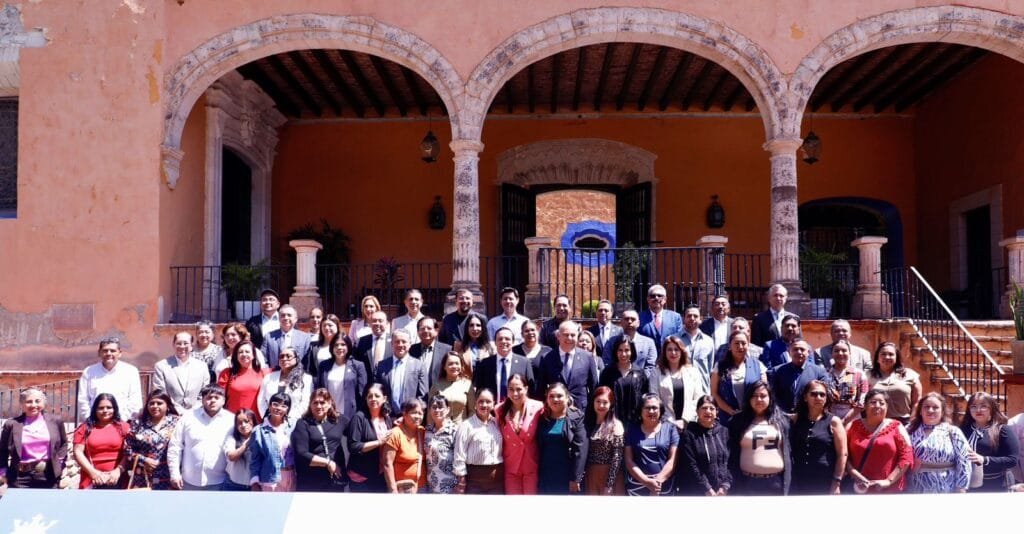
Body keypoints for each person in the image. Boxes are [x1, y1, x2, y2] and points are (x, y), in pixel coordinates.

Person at [727, 381, 791, 495]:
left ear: (770, 398)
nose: (759, 399)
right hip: (746, 483)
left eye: (763, 396)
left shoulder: (782, 420)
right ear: (749, 398)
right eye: (754, 396)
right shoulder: (737, 421)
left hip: (777, 482)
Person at [845, 389, 914, 494]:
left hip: (889, 490)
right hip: (859, 488)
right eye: (873, 402)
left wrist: (888, 481)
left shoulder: (897, 426)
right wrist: (855, 474)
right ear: (865, 406)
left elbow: (907, 456)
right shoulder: (853, 426)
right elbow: (844, 455)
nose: (877, 406)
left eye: (882, 403)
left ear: (886, 407)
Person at [168, 385, 235, 490]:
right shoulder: (188, 418)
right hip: (188, 481)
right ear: (202, 400)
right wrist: (174, 474)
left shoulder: (231, 420)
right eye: (209, 397)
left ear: (223, 400)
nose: (212, 400)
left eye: (217, 397)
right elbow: (175, 446)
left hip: (220, 482)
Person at [0, 388, 68, 489]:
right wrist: (3, 472)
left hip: (49, 475)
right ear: (22, 404)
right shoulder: (11, 424)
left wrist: (60, 464)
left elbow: (63, 443)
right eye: (29, 402)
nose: (33, 405)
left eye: (37, 401)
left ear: (43, 402)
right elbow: (2, 451)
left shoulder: (56, 421)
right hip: (19, 477)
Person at [905, 392, 971, 493]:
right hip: (915, 487)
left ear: (942, 411)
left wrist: (961, 488)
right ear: (920, 411)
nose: (930, 410)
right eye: (926, 407)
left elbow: (964, 461)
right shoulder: (908, 430)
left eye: (935, 407)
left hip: (946, 487)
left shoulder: (953, 432)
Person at [789, 380, 847, 495]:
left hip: (824, 479)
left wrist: (836, 482)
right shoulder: (795, 419)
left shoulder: (834, 422)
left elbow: (842, 454)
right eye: (814, 394)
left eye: (822, 394)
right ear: (805, 397)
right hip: (798, 479)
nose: (818, 397)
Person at [960, 391, 1020, 491]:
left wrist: (984, 460)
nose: (978, 410)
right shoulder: (962, 430)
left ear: (992, 409)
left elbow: (1012, 460)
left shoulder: (1002, 430)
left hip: (996, 485)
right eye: (973, 406)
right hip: (966, 485)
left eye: (983, 406)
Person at [292, 388, 350, 492]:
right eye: (315, 403)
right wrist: (328, 463)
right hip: (310, 479)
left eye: (322, 402)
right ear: (310, 405)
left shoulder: (340, 420)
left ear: (330, 403)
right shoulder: (303, 424)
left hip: (335, 478)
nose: (319, 406)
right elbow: (301, 454)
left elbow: (356, 438)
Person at [496, 374, 543, 494]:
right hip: (511, 466)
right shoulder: (499, 410)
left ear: (526, 389)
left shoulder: (538, 407)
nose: (515, 393)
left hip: (531, 465)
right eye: (511, 389)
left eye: (519, 389)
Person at [537, 383, 587, 494]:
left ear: (567, 397)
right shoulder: (542, 418)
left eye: (559, 396)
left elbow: (580, 449)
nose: (555, 399)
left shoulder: (577, 417)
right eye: (551, 396)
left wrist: (576, 478)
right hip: (546, 473)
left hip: (567, 474)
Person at [537, 320, 598, 413]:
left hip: (581, 411)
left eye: (573, 335)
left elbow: (594, 386)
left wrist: (592, 411)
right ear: (558, 336)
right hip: (555, 411)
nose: (569, 338)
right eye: (566, 335)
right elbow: (541, 388)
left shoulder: (588, 357)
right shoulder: (547, 358)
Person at [125, 389, 181, 490]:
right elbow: (127, 448)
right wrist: (143, 460)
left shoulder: (177, 423)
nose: (155, 406)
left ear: (167, 405)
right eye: (151, 403)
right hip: (144, 476)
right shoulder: (137, 424)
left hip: (169, 477)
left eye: (159, 403)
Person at [77, 337, 142, 423]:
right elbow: (83, 400)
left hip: (123, 423)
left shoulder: (131, 371)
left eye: (112, 351)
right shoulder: (89, 372)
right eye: (105, 350)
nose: (108, 353)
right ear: (99, 353)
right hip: (95, 424)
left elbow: (135, 401)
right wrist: (91, 419)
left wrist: (121, 420)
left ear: (120, 353)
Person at [624, 393, 678, 496]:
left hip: (664, 487)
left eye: (654, 408)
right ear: (641, 410)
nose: (651, 411)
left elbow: (673, 460)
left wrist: (657, 483)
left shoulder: (670, 429)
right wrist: (647, 482)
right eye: (647, 408)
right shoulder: (632, 430)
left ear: (660, 410)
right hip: (637, 488)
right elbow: (629, 461)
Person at [73, 393, 130, 489]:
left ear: (115, 409)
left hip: (118, 480)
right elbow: (77, 452)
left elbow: (129, 453)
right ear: (95, 410)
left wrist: (118, 471)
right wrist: (93, 473)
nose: (105, 411)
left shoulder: (124, 427)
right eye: (101, 408)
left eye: (109, 407)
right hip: (91, 480)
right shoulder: (85, 428)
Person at [678, 396, 731, 496]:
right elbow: (691, 465)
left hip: (721, 491)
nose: (708, 411)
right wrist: (707, 488)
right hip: (697, 491)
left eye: (712, 408)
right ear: (697, 411)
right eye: (704, 408)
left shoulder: (724, 432)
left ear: (717, 411)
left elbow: (730, 461)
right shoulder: (689, 434)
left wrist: (725, 486)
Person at [710, 330, 767, 425]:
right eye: (736, 343)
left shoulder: (758, 365)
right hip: (727, 419)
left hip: (753, 417)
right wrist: (730, 411)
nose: (740, 346)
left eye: (743, 343)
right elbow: (714, 393)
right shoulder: (719, 366)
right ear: (729, 346)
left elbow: (764, 391)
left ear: (748, 345)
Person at [453, 389, 504, 494]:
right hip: (474, 482)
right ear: (475, 404)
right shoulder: (466, 426)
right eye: (481, 401)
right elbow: (459, 455)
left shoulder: (498, 423)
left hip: (497, 481)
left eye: (488, 401)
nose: (484, 405)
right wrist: (461, 481)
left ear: (493, 404)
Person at [345, 383, 393, 492]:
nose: (373, 399)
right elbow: (353, 446)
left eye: (377, 396)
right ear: (366, 399)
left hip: (380, 476)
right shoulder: (359, 417)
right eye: (370, 396)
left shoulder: (386, 418)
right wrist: (379, 442)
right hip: (361, 477)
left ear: (384, 398)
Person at [652, 336, 703, 432]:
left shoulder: (693, 372)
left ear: (682, 351)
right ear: (664, 352)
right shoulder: (656, 372)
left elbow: (698, 399)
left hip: (690, 423)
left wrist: (685, 420)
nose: (673, 353)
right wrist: (671, 421)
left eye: (676, 349)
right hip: (665, 424)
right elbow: (655, 400)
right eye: (669, 349)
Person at [152, 331, 211, 413]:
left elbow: (205, 392)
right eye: (178, 343)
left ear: (191, 346)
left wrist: (193, 410)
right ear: (173, 345)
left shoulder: (202, 366)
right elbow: (160, 392)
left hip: (196, 413)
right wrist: (178, 410)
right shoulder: (161, 366)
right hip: (171, 412)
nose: (182, 346)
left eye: (186, 343)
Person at [474, 327, 535, 405]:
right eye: (500, 339)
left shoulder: (524, 363)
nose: (503, 341)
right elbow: (479, 391)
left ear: (513, 342)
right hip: (492, 410)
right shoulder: (484, 364)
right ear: (495, 342)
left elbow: (531, 390)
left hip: (518, 410)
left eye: (507, 339)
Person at [598, 337, 651, 425]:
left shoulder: (639, 373)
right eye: (620, 350)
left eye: (627, 350)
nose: (623, 354)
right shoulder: (608, 373)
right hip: (612, 422)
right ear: (615, 351)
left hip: (636, 422)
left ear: (632, 351)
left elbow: (645, 396)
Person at [249, 392, 295, 491]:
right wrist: (254, 483)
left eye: (283, 406)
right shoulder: (258, 430)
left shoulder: (293, 427)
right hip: (269, 479)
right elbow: (255, 460)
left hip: (291, 477)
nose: (278, 408)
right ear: (269, 407)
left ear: (287, 410)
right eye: (275, 404)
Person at [769, 339, 829, 414]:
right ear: (789, 352)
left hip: (808, 415)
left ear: (808, 353)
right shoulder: (777, 371)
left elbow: (824, 396)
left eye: (802, 349)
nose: (799, 352)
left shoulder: (819, 372)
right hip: (782, 416)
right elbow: (772, 395)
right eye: (795, 349)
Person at [375, 329, 429, 414]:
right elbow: (377, 392)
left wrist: (410, 415)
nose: (400, 345)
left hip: (411, 416)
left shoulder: (419, 366)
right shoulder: (381, 366)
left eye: (404, 341)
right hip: (387, 416)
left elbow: (422, 397)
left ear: (410, 344)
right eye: (397, 342)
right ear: (392, 344)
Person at [867, 341, 922, 424]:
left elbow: (917, 401)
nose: (887, 357)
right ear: (877, 358)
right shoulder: (867, 375)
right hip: (875, 423)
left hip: (903, 422)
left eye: (891, 354)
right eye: (883, 354)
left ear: (897, 358)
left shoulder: (910, 375)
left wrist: (912, 420)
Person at [584, 386, 625, 495]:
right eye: (598, 401)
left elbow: (617, 457)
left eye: (605, 402)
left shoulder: (616, 425)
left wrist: (609, 484)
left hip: (609, 476)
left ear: (611, 404)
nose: (601, 405)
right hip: (591, 474)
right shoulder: (588, 423)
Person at [315, 332, 367, 418]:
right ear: (332, 347)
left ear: (348, 346)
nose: (339, 347)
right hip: (328, 413)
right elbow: (319, 390)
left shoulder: (358, 366)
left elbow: (362, 393)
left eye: (343, 344)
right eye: (336, 345)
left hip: (350, 414)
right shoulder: (324, 365)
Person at [258, 347, 313, 422]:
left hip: (294, 421)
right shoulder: (269, 377)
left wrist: (289, 419)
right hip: (270, 421)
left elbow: (306, 403)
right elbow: (261, 400)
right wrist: (268, 417)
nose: (284, 359)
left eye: (288, 356)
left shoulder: (306, 378)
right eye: (281, 356)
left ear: (296, 359)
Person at [383, 399, 427, 493]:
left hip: (422, 487)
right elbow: (387, 464)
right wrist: (393, 489)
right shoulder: (395, 434)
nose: (417, 416)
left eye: (420, 413)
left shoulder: (423, 432)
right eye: (414, 413)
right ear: (404, 413)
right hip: (401, 488)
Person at [218, 340, 269, 418]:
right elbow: (219, 397)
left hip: (256, 420)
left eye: (247, 352)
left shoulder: (264, 373)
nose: (244, 354)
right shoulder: (227, 373)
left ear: (253, 355)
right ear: (236, 356)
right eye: (240, 352)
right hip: (232, 419)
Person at [827, 340, 868, 424]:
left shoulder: (859, 374)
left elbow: (862, 400)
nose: (840, 353)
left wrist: (844, 421)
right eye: (836, 351)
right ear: (832, 354)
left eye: (844, 350)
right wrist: (832, 421)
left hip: (853, 419)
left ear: (850, 353)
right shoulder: (825, 374)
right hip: (829, 419)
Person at [424, 395, 459, 494]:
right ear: (430, 410)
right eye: (434, 407)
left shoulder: (454, 431)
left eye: (440, 407)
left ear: (448, 409)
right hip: (431, 485)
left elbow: (460, 459)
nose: (437, 410)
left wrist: (460, 484)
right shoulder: (427, 430)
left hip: (450, 486)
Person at [262, 305, 313, 370]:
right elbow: (263, 359)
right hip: (275, 374)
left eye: (289, 315)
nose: (286, 318)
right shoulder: (269, 337)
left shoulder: (305, 338)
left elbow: (308, 362)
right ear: (279, 319)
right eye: (283, 315)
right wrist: (269, 373)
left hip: (298, 374)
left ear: (296, 319)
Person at [430, 351, 475, 423]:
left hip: (462, 427)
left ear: (461, 366)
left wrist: (467, 427)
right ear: (444, 367)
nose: (454, 366)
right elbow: (430, 413)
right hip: (441, 427)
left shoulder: (467, 384)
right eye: (450, 364)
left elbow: (472, 411)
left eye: (457, 363)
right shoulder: (436, 385)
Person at [409, 316, 452, 390]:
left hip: (439, 392)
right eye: (422, 328)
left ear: (436, 331)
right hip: (416, 393)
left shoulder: (447, 350)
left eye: (429, 328)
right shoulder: (411, 350)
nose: (425, 331)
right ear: (418, 332)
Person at [679, 306, 714, 392]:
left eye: (695, 316)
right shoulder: (673, 340)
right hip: (680, 389)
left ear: (701, 319)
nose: (692, 318)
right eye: (689, 316)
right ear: (683, 319)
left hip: (702, 390)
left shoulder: (708, 341)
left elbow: (709, 368)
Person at [639, 284, 683, 349]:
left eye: (659, 296)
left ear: (665, 299)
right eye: (653, 296)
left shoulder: (675, 317)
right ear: (648, 299)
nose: (656, 298)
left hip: (669, 354)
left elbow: (679, 338)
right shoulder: (639, 317)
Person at [222, 409, 257, 491]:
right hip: (233, 485)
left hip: (254, 486)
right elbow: (231, 457)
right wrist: (247, 442)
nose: (243, 425)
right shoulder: (232, 438)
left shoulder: (260, 438)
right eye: (239, 423)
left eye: (246, 421)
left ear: (253, 422)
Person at [751, 283, 792, 348]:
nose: (778, 298)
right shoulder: (759, 318)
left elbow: (799, 341)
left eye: (781, 296)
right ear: (769, 298)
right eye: (775, 295)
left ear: (786, 298)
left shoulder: (793, 318)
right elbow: (756, 345)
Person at [353, 310, 391, 376]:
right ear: (370, 324)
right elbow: (355, 363)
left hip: (388, 381)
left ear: (387, 323)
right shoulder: (360, 341)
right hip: (367, 381)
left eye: (380, 321)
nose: (377, 323)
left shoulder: (394, 341)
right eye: (374, 321)